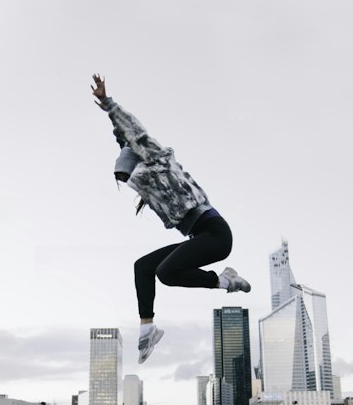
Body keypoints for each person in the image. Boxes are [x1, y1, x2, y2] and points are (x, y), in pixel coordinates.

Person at [91, 73, 250, 364]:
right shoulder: (146, 179)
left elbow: (132, 134)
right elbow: (122, 142)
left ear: (139, 161)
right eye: (128, 180)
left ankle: (225, 282)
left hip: (216, 234)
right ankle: (147, 328)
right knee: (143, 266)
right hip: (200, 237)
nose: (131, 182)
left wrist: (107, 103)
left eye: (129, 175)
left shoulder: (157, 160)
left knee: (166, 273)